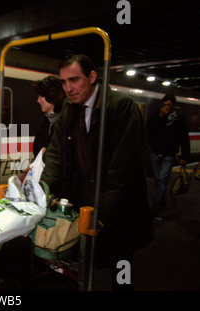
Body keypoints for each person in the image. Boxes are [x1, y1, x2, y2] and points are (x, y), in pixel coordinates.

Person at [40, 54, 153, 290]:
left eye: (74, 80)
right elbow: (55, 155)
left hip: (116, 208)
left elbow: (124, 168)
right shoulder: (69, 110)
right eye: (63, 82)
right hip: (81, 205)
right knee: (78, 266)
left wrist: (101, 214)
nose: (68, 89)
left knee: (120, 266)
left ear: (92, 77)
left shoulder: (122, 107)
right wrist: (44, 190)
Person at [147, 94, 190, 212]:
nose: (166, 107)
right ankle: (162, 200)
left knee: (161, 179)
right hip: (155, 152)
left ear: (173, 105)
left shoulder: (179, 120)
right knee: (158, 179)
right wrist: (160, 116)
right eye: (164, 105)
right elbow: (149, 128)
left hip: (169, 154)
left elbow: (184, 139)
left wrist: (185, 156)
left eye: (168, 105)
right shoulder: (157, 115)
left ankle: (156, 206)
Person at [32, 75, 66, 157]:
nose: (38, 100)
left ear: (50, 96)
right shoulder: (45, 122)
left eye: (41, 96)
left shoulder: (66, 122)